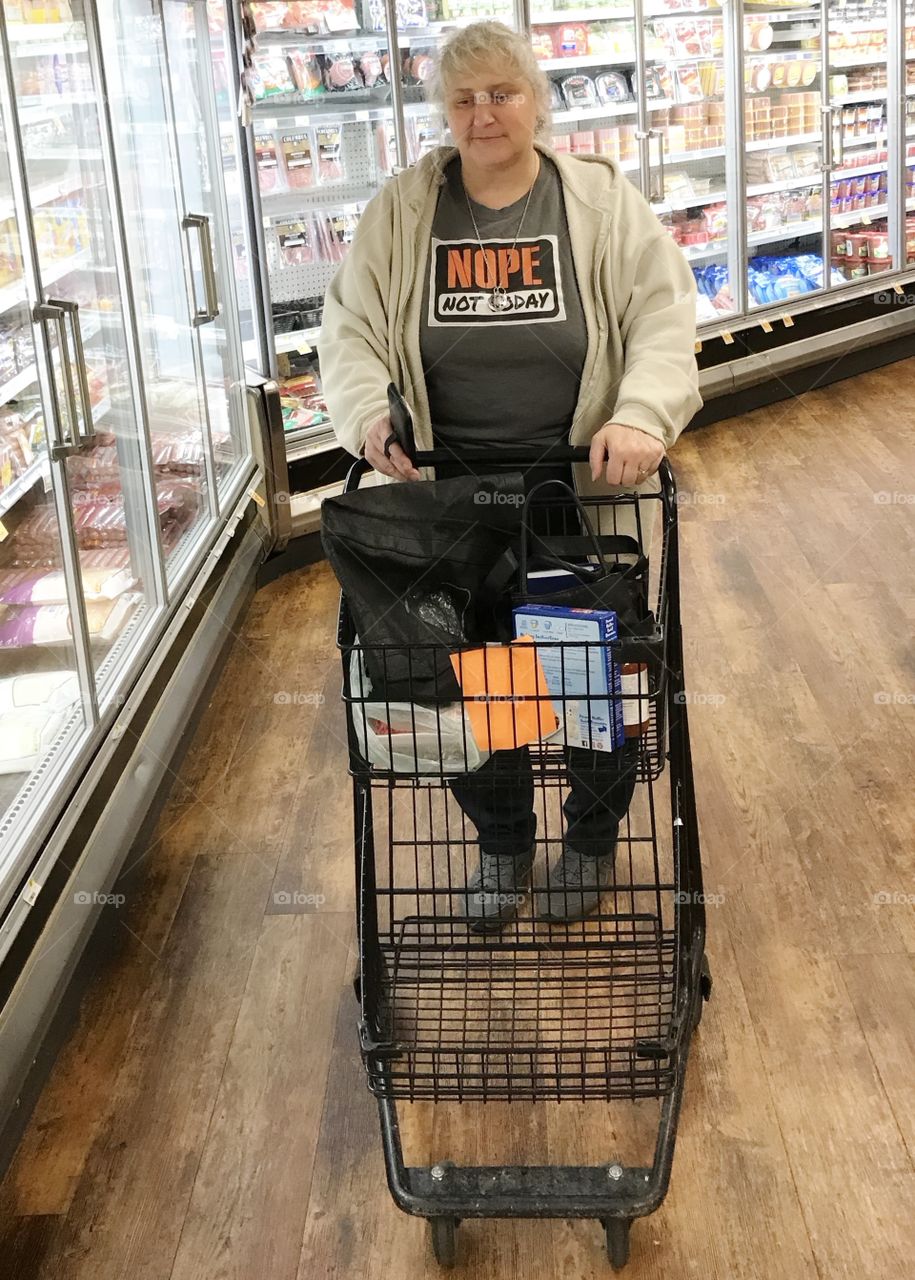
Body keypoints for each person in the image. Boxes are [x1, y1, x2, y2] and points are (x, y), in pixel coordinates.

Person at [320, 21, 701, 929]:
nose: (483, 113)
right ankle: (499, 845)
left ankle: (590, 840)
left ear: (536, 99)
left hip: (570, 492)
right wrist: (368, 412)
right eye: (463, 99)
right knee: (469, 679)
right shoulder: (404, 211)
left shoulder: (602, 206)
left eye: (502, 93)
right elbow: (350, 329)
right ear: (443, 113)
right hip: (445, 498)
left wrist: (641, 413)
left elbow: (662, 316)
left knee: (584, 685)